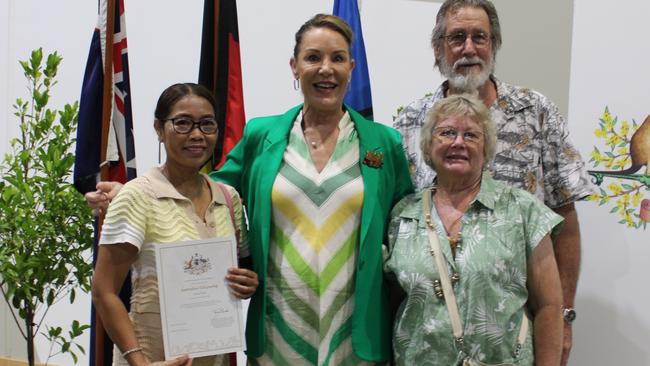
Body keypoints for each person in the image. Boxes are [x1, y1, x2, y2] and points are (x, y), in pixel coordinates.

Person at [87, 15, 413, 365]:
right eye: (313, 57)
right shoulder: (262, 136)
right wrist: (134, 192)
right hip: (279, 328)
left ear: (351, 66)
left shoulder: (385, 142)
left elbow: (404, 225)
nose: (325, 69)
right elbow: (206, 187)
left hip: (356, 329)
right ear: (295, 66)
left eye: (337, 58)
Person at [392, 1, 594, 364]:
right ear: (439, 48)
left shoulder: (536, 111)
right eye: (457, 37)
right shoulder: (409, 121)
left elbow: (566, 219)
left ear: (494, 45)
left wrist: (563, 319)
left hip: (512, 336)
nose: (469, 48)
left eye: (479, 37)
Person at [385, 94, 564, 365]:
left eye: (471, 135)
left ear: (486, 148)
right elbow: (393, 303)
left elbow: (549, 307)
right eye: (446, 133)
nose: (458, 142)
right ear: (428, 145)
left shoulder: (523, 211)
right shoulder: (402, 215)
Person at [91, 83, 259, 366]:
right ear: (159, 129)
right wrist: (139, 362)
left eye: (207, 124)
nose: (196, 134)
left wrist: (247, 282)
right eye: (182, 123)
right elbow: (103, 290)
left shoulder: (228, 199)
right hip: (151, 359)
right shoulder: (136, 196)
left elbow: (243, 269)